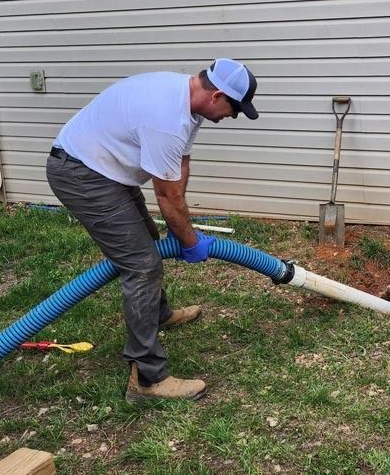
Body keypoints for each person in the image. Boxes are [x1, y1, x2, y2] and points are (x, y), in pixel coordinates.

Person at [45, 58, 258, 402]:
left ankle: (158, 315)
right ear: (218, 95)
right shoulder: (167, 118)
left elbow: (180, 165)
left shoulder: (189, 103)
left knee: (149, 245)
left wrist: (180, 226)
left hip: (105, 168)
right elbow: (166, 195)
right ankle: (147, 378)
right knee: (142, 265)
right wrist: (190, 241)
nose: (233, 116)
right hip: (81, 173)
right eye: (235, 109)